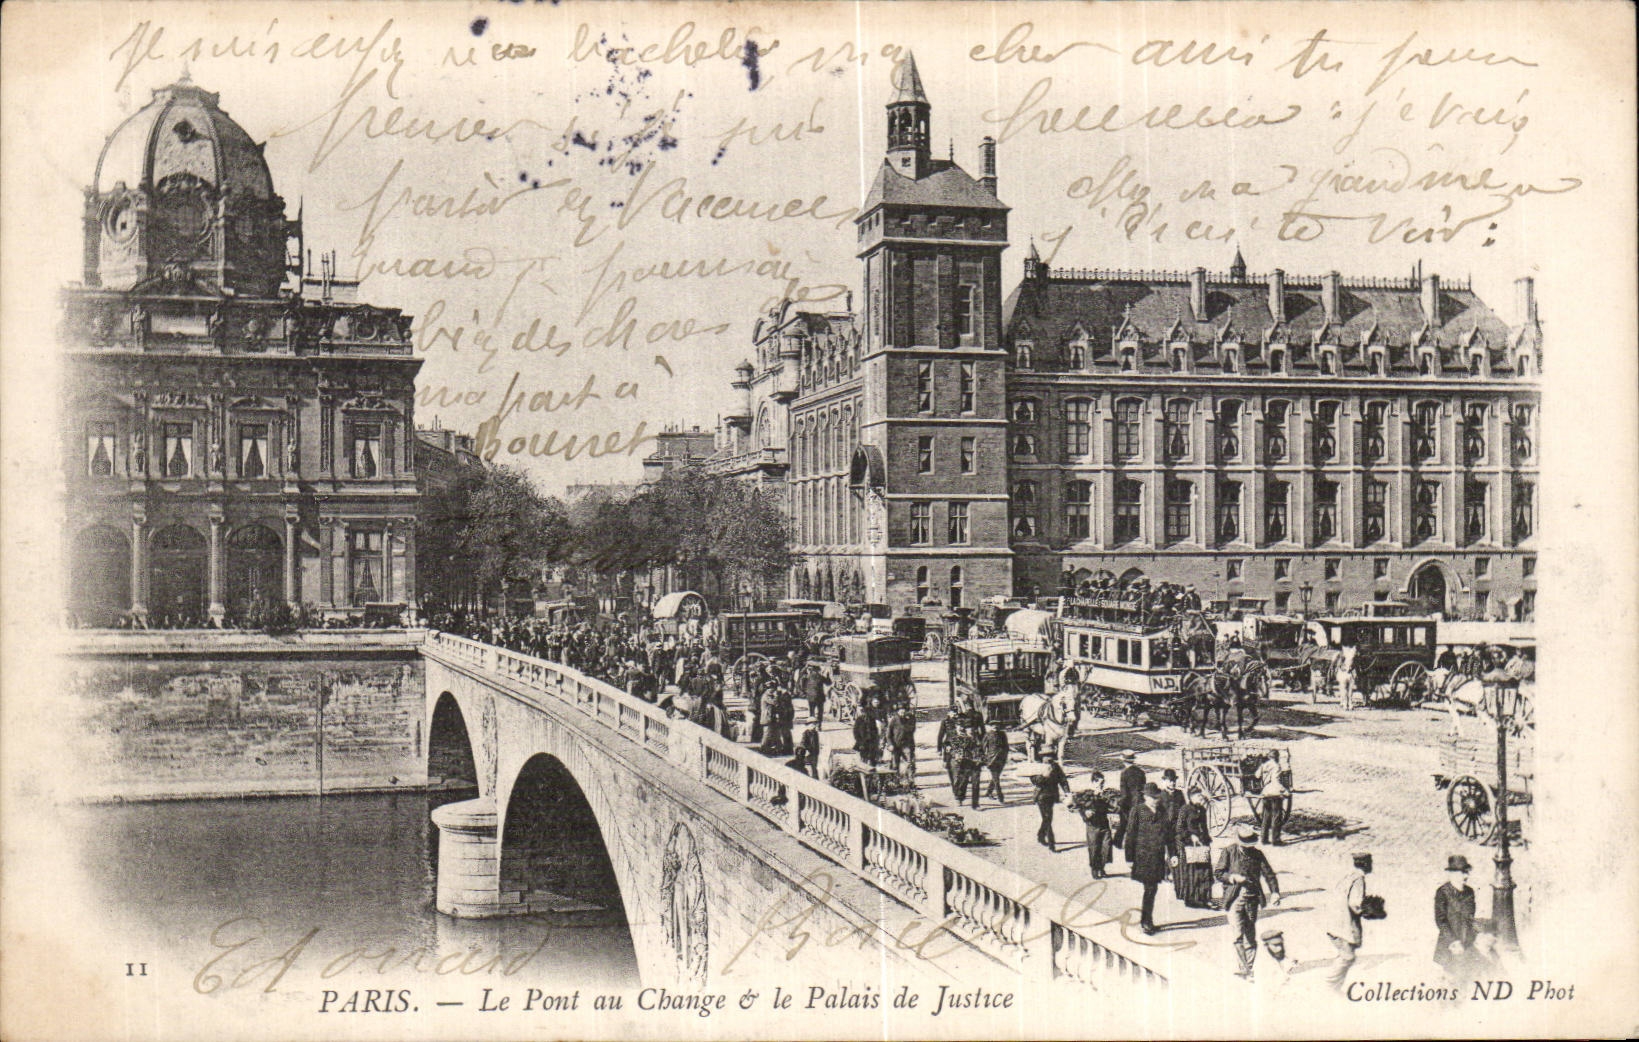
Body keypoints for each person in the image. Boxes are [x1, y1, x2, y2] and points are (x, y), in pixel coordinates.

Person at [1214, 824, 1282, 979]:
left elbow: (1269, 874)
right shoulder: (1229, 852)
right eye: (1245, 845)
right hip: (1234, 899)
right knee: (1237, 935)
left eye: (1250, 845)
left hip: (1252, 900)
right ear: (1238, 842)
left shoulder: (1257, 854)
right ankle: (1244, 969)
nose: (1247, 848)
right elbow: (1218, 872)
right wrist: (1232, 878)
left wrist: (1275, 892)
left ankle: (1249, 967)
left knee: (1250, 936)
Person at [1127, 783, 1172, 934]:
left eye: (1157, 797)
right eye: (1152, 797)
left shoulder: (1162, 811)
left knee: (1152, 889)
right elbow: (1130, 834)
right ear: (1145, 797)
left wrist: (1172, 853)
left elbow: (1168, 834)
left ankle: (1147, 920)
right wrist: (1129, 857)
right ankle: (1146, 921)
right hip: (1143, 855)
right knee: (1150, 888)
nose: (1156, 800)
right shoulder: (1137, 810)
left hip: (1158, 856)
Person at [1324, 852, 1372, 991]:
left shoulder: (1349, 876)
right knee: (1347, 956)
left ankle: (1334, 986)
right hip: (1344, 925)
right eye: (1370, 863)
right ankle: (1330, 986)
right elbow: (1355, 904)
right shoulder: (1359, 880)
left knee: (1344, 952)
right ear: (1366, 864)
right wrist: (1366, 911)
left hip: (1334, 921)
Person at [1434, 855, 1480, 981]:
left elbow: (1471, 917)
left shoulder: (1470, 892)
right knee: (1451, 977)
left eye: (1466, 872)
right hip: (1450, 942)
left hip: (1467, 940)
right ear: (1451, 874)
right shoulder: (1442, 892)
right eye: (1462, 873)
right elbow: (1441, 920)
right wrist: (1453, 941)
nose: (1466, 876)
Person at [1173, 787, 1216, 908]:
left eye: (1200, 796)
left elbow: (1205, 827)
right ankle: (1191, 899)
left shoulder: (1202, 809)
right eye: (1198, 796)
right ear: (1191, 797)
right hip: (1190, 846)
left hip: (1202, 844)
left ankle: (1205, 898)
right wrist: (1190, 836)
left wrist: (1207, 840)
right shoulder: (1185, 810)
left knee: (1205, 872)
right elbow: (1179, 829)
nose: (1200, 798)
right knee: (1192, 873)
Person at [1076, 773, 1114, 879]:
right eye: (1099, 783)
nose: (1101, 786)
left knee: (1106, 846)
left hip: (1104, 824)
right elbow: (1080, 807)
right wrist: (1086, 814)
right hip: (1093, 825)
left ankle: (1101, 867)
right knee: (1094, 848)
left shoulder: (1105, 794)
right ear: (1093, 782)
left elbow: (1112, 806)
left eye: (1103, 783)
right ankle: (1095, 869)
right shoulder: (1086, 794)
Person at [1030, 751, 1071, 849]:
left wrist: (1067, 792)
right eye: (1046, 756)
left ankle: (1040, 835)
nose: (1048, 758)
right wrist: (1043, 776)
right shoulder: (1038, 767)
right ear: (1042, 757)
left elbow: (1063, 780)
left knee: (1047, 818)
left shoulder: (1056, 767)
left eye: (1050, 756)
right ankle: (1052, 845)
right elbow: (1034, 780)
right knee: (1047, 818)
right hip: (1041, 797)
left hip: (1052, 796)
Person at [1256, 750, 1290, 845]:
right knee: (1276, 816)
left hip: (1265, 793)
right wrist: (1285, 791)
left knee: (1266, 816)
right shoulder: (1277, 766)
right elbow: (1276, 782)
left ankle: (1264, 839)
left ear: (1269, 757)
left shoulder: (1264, 765)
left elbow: (1257, 775)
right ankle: (1276, 840)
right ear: (1277, 757)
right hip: (1274, 794)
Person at [1117, 752, 1146, 859]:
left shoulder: (1124, 774)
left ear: (1124, 761)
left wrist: (1119, 804)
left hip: (1130, 803)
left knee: (1126, 822)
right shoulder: (1141, 772)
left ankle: (1119, 842)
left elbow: (1124, 794)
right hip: (1141, 801)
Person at [951, 721, 983, 810]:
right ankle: (960, 797)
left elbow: (983, 750)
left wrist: (982, 759)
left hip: (976, 764)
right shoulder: (961, 738)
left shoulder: (979, 739)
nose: (972, 731)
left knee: (976, 784)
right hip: (965, 763)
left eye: (973, 729)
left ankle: (975, 804)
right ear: (966, 730)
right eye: (969, 729)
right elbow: (956, 750)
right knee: (963, 782)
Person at [1257, 928, 1296, 992]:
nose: (1280, 948)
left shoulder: (1289, 960)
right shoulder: (1263, 966)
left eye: (1281, 944)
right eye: (1275, 945)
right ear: (1266, 946)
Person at [885, 706, 917, 783]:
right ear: (898, 712)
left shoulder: (910, 719)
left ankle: (910, 781)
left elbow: (912, 729)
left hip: (906, 744)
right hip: (896, 745)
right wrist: (890, 744)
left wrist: (905, 721)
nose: (902, 713)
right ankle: (895, 781)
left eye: (904, 711)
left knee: (909, 763)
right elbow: (888, 734)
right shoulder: (894, 720)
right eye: (900, 711)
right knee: (895, 764)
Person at [982, 722, 1011, 804]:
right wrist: (985, 759)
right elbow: (983, 748)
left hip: (1001, 759)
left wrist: (1005, 756)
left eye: (997, 725)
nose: (995, 726)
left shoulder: (1002, 734)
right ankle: (1000, 798)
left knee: (995, 777)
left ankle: (988, 792)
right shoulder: (987, 735)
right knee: (996, 780)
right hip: (992, 759)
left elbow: (1006, 746)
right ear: (990, 727)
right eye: (993, 725)